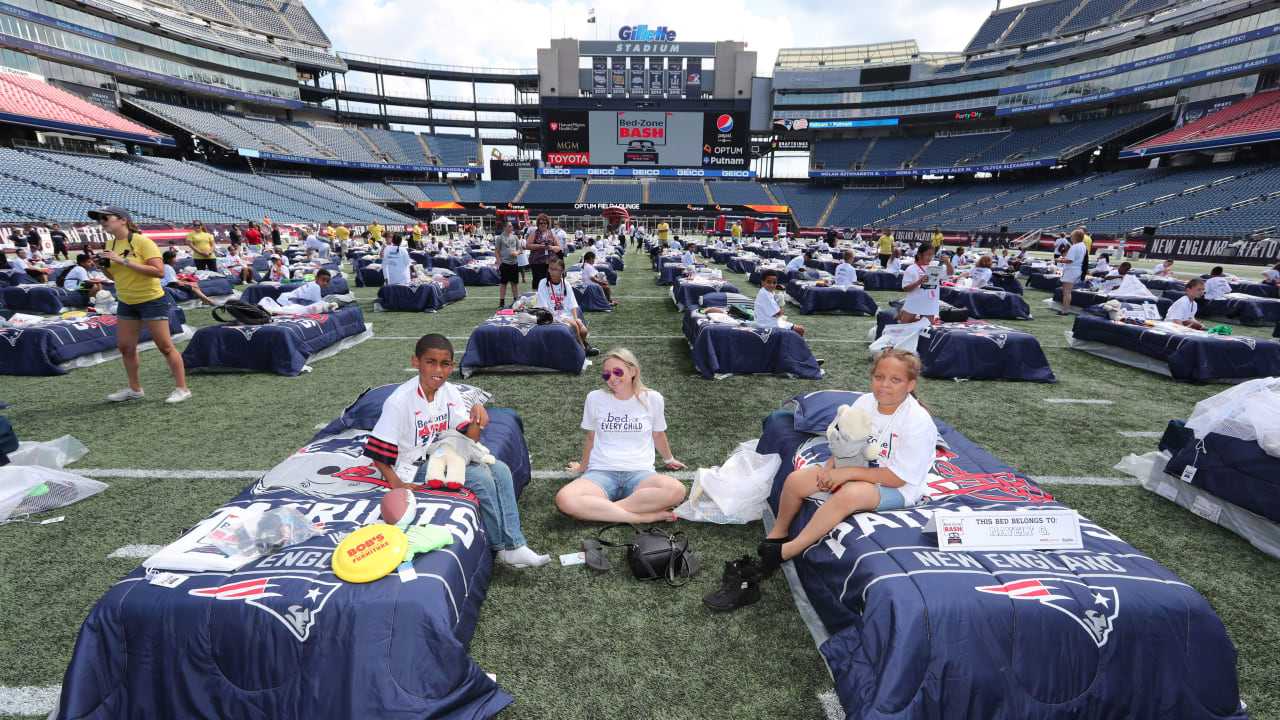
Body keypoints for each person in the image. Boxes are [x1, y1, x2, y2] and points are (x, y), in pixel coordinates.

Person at [363, 333, 549, 569]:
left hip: (442, 453)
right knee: (480, 479)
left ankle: (515, 545)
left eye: (445, 364)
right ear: (416, 362)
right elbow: (376, 454)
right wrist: (397, 483)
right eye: (430, 362)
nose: (438, 370)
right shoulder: (399, 401)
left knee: (499, 468)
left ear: (452, 365)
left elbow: (468, 437)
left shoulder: (449, 391)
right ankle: (503, 547)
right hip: (413, 467)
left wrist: (477, 416)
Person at [757, 349, 937, 578]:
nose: (885, 385)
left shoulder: (917, 421)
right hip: (858, 468)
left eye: (896, 380)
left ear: (911, 385)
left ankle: (786, 551)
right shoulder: (865, 402)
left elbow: (899, 477)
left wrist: (847, 474)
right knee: (796, 480)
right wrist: (829, 468)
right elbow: (846, 442)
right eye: (879, 377)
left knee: (851, 494)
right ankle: (778, 534)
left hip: (899, 486)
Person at [555, 348, 687, 523]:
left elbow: (658, 434)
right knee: (564, 499)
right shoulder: (595, 398)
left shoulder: (653, 398)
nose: (613, 379)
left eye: (618, 371)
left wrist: (669, 459)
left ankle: (602, 510)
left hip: (640, 474)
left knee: (676, 490)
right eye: (607, 374)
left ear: (633, 371)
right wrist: (582, 468)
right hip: (601, 472)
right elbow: (591, 438)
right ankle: (643, 517)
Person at [89, 205, 189, 404]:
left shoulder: (143, 242)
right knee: (125, 347)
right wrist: (102, 267)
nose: (101, 222)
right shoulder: (109, 243)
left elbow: (159, 272)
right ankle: (135, 389)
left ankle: (183, 389)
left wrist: (123, 260)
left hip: (151, 300)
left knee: (165, 346)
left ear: (122, 220)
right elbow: (113, 275)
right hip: (126, 300)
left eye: (105, 218)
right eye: (99, 219)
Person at [536, 258, 597, 356]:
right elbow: (544, 305)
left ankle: (578, 345)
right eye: (551, 269)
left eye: (556, 269)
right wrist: (550, 318)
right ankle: (583, 349)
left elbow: (572, 304)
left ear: (562, 271)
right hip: (553, 314)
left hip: (565, 313)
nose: (553, 272)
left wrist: (576, 319)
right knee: (573, 324)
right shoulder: (543, 283)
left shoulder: (566, 284)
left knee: (583, 330)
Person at [898, 242, 952, 324]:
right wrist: (919, 282)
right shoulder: (911, 269)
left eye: (932, 255)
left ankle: (905, 316)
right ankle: (902, 314)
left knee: (927, 329)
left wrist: (947, 262)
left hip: (929, 302)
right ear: (919, 255)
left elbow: (950, 273)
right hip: (914, 301)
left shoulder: (935, 265)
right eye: (927, 255)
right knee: (904, 326)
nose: (930, 257)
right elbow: (906, 288)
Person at [755, 269, 805, 337]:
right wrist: (781, 304)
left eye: (774, 282)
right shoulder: (765, 294)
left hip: (765, 321)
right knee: (800, 329)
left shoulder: (766, 292)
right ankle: (795, 347)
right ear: (762, 282)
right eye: (769, 282)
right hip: (767, 324)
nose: (772, 285)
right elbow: (779, 314)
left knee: (795, 326)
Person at [1054, 229, 1087, 316]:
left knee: (1066, 292)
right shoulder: (1082, 245)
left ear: (1075, 237)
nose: (1071, 237)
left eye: (1072, 236)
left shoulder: (1074, 247)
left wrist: (1060, 260)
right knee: (1067, 292)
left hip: (1071, 270)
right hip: (1076, 269)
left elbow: (1070, 260)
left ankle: (1065, 311)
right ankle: (1065, 310)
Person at [526, 214, 560, 288]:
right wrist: (540, 246)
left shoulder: (552, 234)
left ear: (548, 224)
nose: (543, 225)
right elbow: (528, 245)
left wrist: (551, 247)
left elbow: (558, 248)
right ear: (538, 224)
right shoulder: (534, 233)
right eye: (541, 223)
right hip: (536, 261)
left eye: (545, 223)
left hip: (550, 262)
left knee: (550, 280)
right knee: (537, 280)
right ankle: (536, 297)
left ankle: (549, 296)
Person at [495, 221, 521, 308]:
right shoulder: (500, 238)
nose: (511, 227)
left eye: (511, 226)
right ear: (504, 228)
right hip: (505, 263)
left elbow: (519, 249)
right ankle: (502, 302)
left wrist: (516, 253)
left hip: (514, 263)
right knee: (503, 283)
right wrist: (500, 263)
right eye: (509, 226)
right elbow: (496, 251)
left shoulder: (515, 237)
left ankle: (516, 301)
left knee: (514, 283)